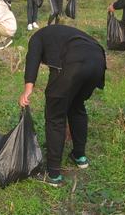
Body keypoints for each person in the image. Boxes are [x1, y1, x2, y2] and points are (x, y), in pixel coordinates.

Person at [19, 25, 106, 187]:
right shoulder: (60, 35)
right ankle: (80, 156)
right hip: (98, 62)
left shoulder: (37, 38)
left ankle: (53, 174)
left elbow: (32, 59)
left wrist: (27, 90)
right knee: (76, 107)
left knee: (55, 117)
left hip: (73, 62)